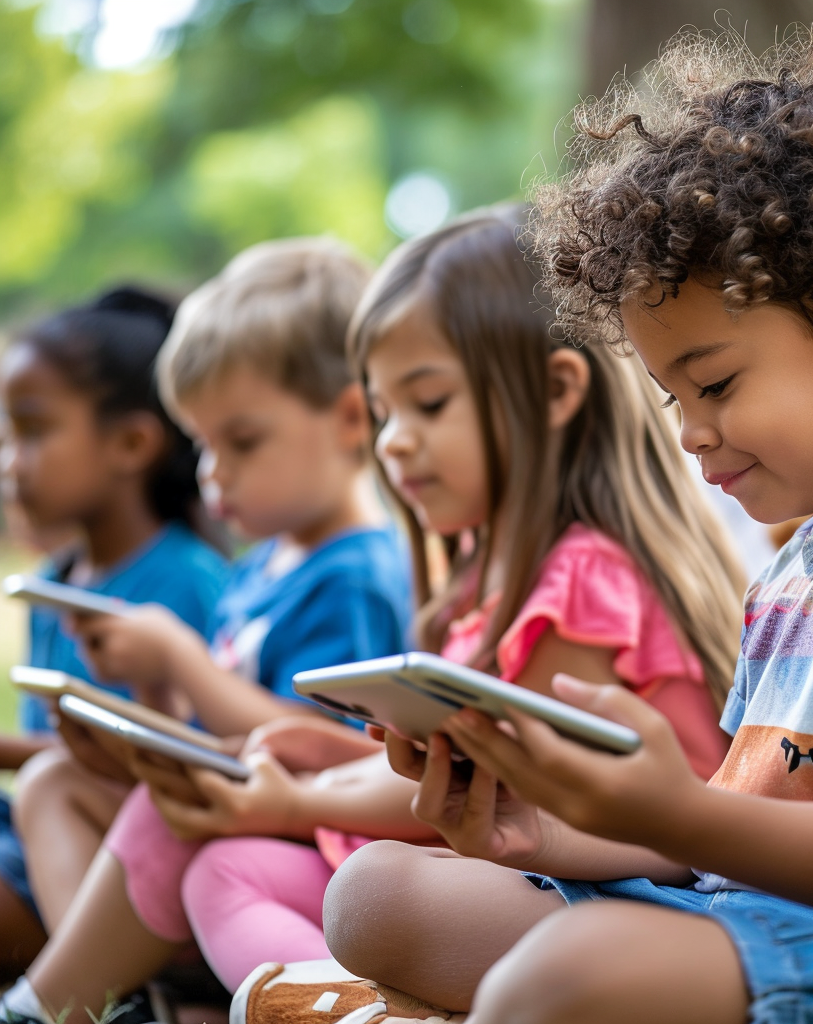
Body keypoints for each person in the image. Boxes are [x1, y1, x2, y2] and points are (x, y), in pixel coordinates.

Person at [293, 21, 813, 1024]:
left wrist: (680, 813)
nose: (689, 434)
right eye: (672, 400)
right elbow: (726, 823)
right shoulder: (799, 561)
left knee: (570, 974)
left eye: (714, 383)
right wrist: (540, 825)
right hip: (758, 919)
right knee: (376, 894)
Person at [2, 206, 746, 1024]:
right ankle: (323, 1004)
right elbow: (457, 769)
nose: (394, 442)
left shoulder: (583, 580)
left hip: (616, 896)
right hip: (523, 872)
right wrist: (323, 755)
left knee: (370, 892)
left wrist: (296, 799)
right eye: (387, 412)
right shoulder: (483, 583)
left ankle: (83, 1006)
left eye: (426, 406)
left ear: (555, 393)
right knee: (229, 870)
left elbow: (504, 784)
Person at [0, 236, 412, 1024]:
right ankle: (114, 994)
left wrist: (184, 663)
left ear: (350, 419)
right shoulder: (262, 570)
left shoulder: (356, 572)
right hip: (248, 813)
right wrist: (141, 716)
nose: (212, 473)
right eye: (205, 446)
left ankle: (50, 1005)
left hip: (317, 841)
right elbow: (214, 724)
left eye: (242, 443)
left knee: (136, 809)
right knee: (54, 784)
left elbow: (336, 747)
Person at [0, 287, 229, 979]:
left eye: (33, 432)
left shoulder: (188, 581)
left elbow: (180, 753)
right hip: (38, 836)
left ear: (131, 442)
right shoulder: (54, 578)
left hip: (115, 857)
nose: (10, 462)